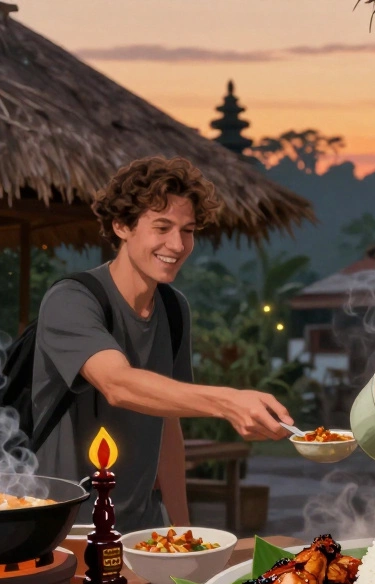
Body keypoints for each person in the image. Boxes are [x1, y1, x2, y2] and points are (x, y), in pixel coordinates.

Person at [33, 157, 292, 532]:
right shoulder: (71, 300)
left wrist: (183, 531)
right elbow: (118, 385)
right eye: (162, 227)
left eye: (187, 230)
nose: (178, 245)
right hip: (67, 529)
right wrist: (229, 401)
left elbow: (168, 424)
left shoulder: (173, 308)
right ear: (122, 226)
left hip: (143, 526)